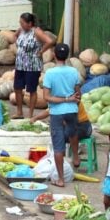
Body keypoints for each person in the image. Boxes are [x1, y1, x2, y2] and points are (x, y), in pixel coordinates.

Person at [42, 43, 80, 187]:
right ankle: (76, 157)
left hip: (57, 113)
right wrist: (72, 101)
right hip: (72, 110)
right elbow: (78, 92)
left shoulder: (50, 73)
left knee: (58, 146)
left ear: (54, 55)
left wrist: (63, 100)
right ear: (67, 55)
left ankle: (61, 179)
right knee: (73, 132)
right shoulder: (74, 71)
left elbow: (46, 97)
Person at [12, 12, 54, 119]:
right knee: (17, 88)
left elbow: (50, 41)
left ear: (30, 23)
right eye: (20, 23)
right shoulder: (21, 30)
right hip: (20, 65)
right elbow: (14, 36)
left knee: (31, 90)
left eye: (22, 23)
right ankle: (19, 112)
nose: (20, 25)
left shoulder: (37, 32)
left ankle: (30, 114)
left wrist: (41, 52)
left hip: (32, 66)